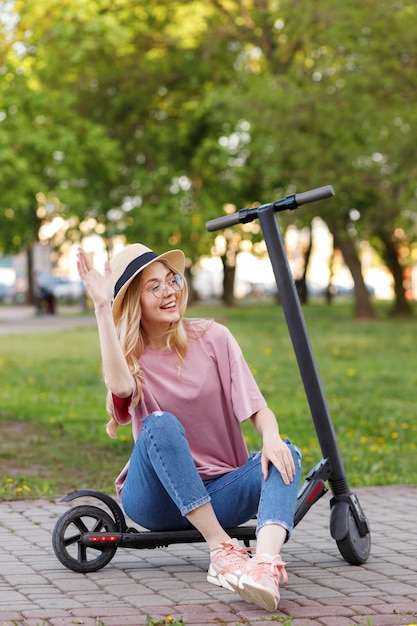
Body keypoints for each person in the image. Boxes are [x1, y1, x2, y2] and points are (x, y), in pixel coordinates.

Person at [76, 243, 302, 612]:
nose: (170, 292)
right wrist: (103, 307)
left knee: (287, 455)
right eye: (155, 287)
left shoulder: (215, 338)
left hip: (219, 493)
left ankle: (262, 566)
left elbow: (258, 409)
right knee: (160, 423)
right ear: (136, 302)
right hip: (157, 501)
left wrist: (272, 439)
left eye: (172, 280)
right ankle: (222, 550)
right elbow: (120, 388)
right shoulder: (128, 357)